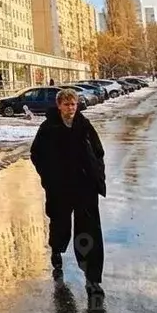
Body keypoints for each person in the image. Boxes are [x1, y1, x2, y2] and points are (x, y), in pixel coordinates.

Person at [29, 88, 107, 301]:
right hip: (60, 188)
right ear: (59, 106)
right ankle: (56, 250)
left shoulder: (84, 125)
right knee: (60, 223)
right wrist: (49, 177)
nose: (70, 108)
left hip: (85, 187)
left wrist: (97, 175)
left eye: (73, 104)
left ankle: (92, 278)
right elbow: (36, 154)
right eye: (66, 104)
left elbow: (98, 152)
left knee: (89, 230)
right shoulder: (49, 127)